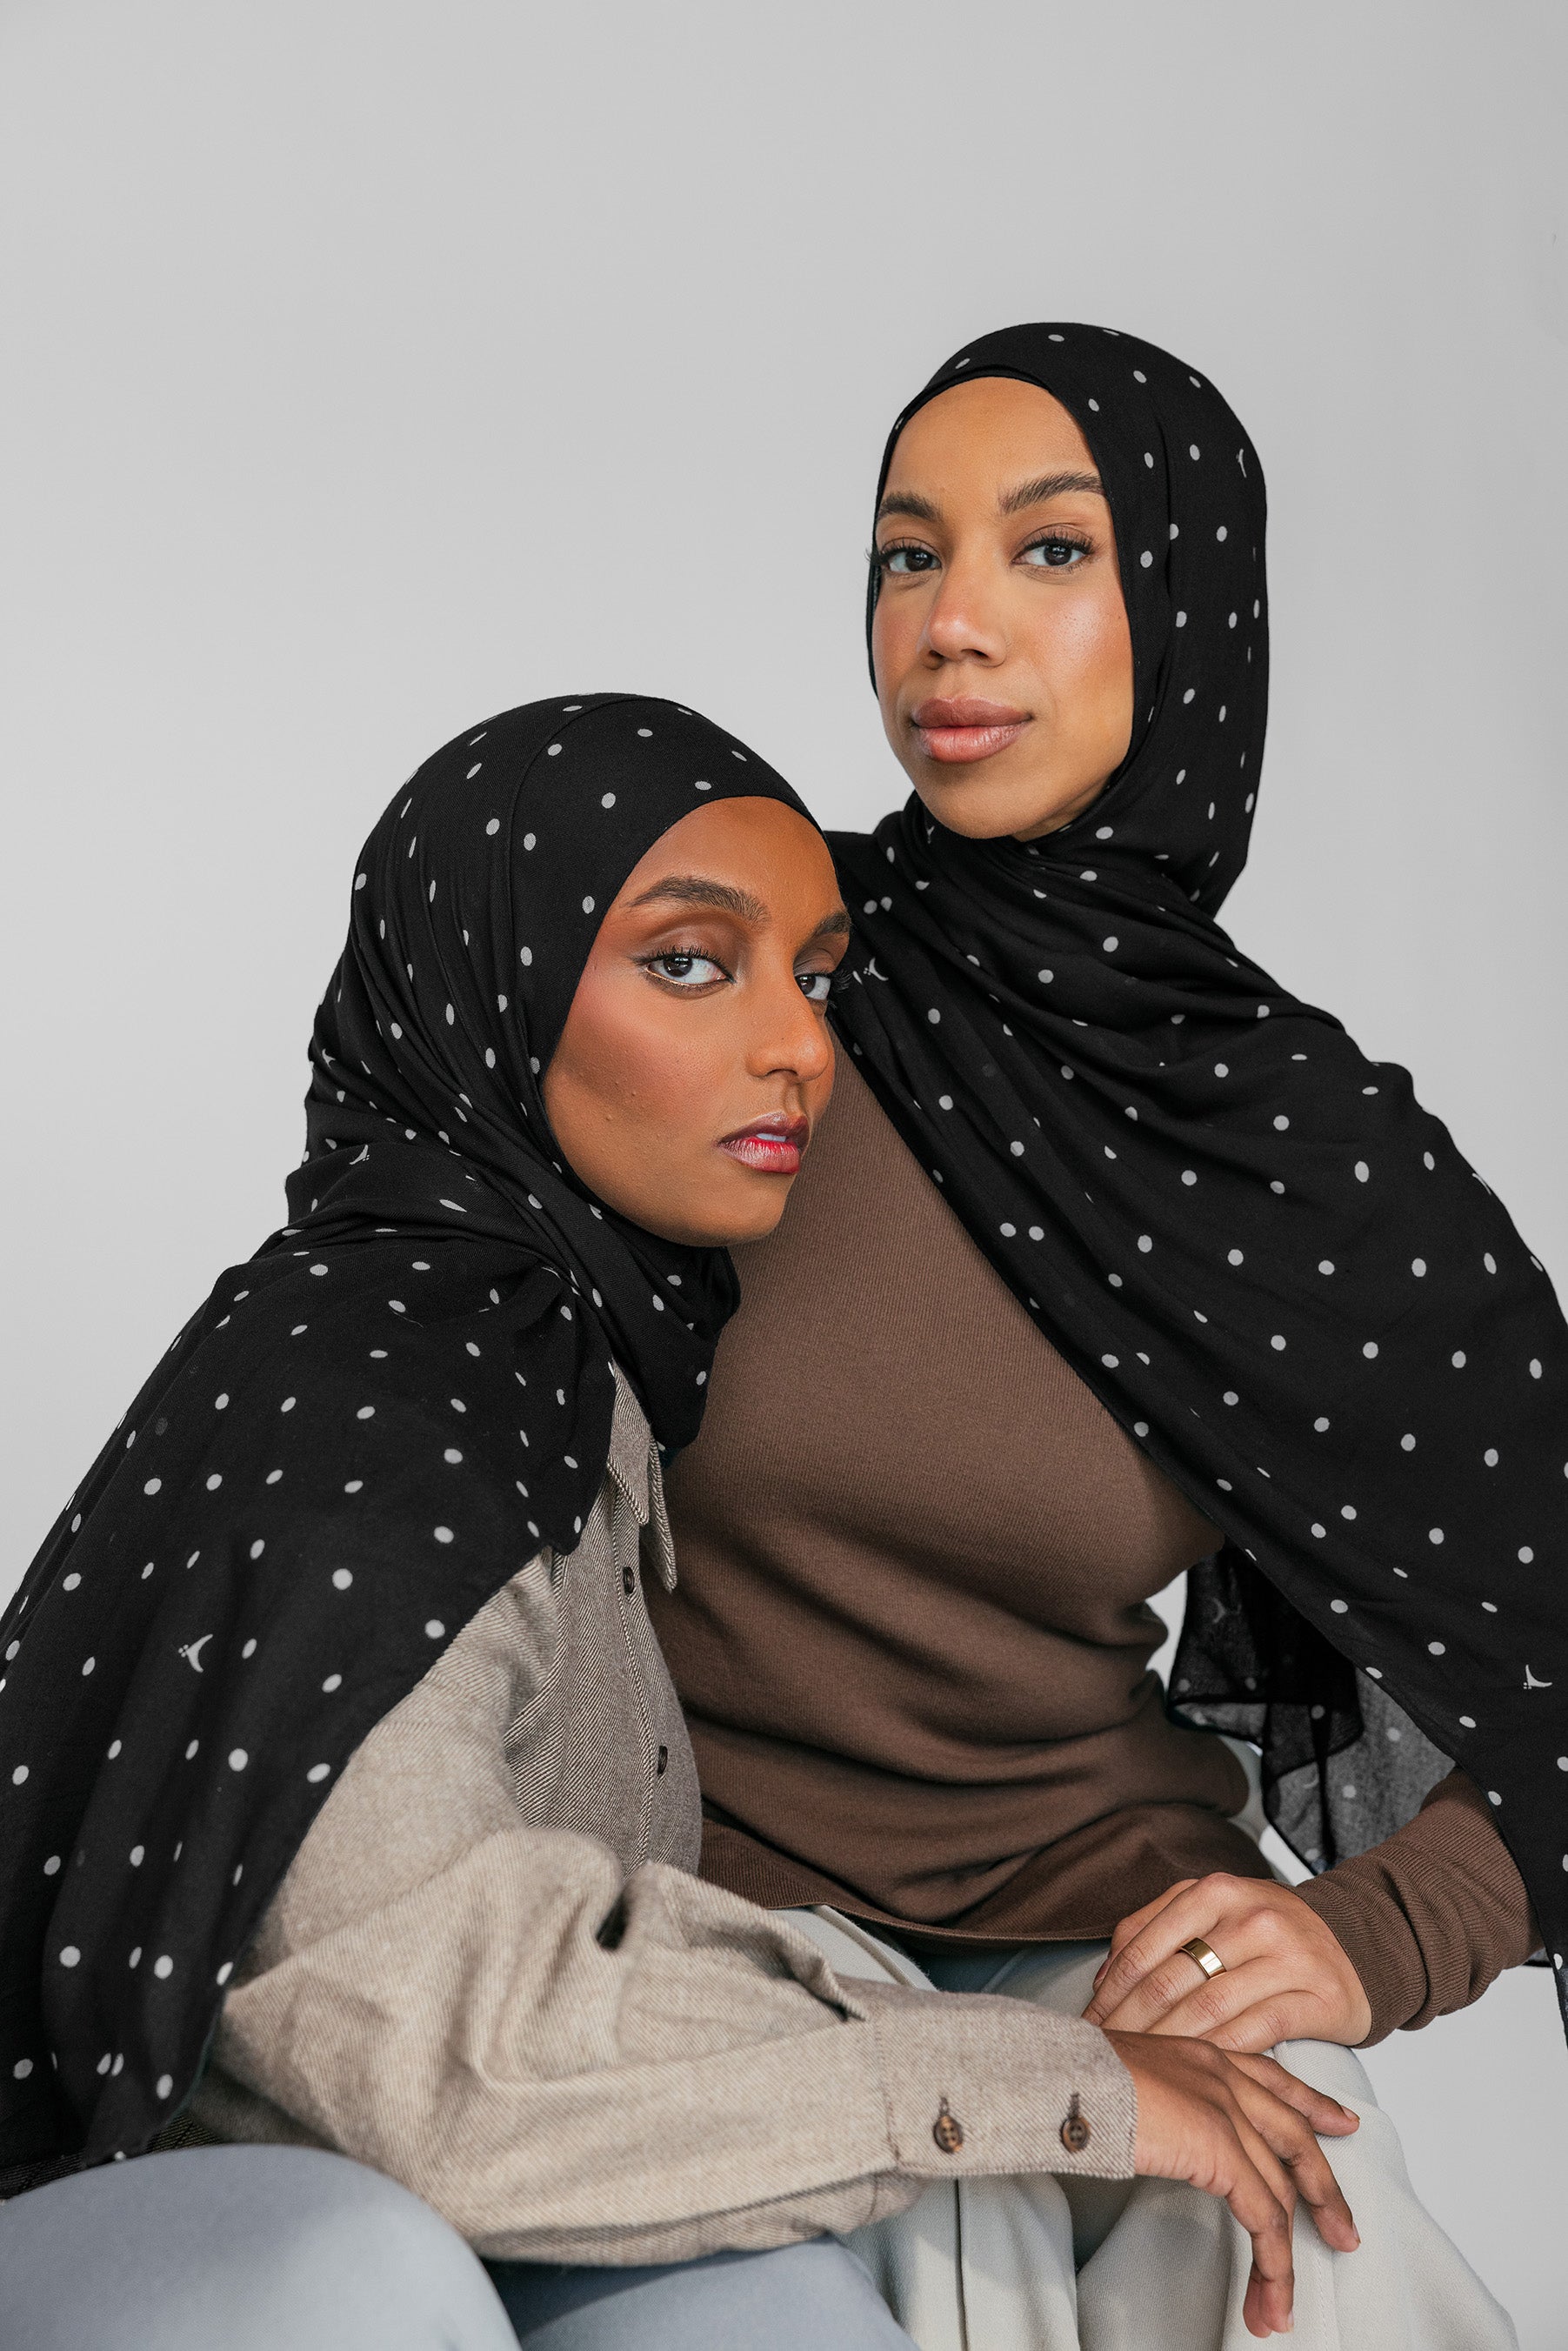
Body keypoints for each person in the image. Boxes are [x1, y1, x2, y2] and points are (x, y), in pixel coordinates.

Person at [0, 691, 1359, 2349]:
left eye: (818, 974)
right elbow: (436, 2057)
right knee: (366, 2270)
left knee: (777, 2296)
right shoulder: (386, 1393)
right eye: (692, 964)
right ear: (489, 995)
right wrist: (1065, 2088)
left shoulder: (573, 1368)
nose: (799, 1043)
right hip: (154, 2207)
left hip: (434, 2172)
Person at [651, 328, 1557, 2345]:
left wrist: (1362, 1932)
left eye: (1047, 553)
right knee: (924, 2253)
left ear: (1188, 610)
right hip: (712, 1930)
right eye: (906, 554)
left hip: (1107, 1922)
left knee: (1308, 2246)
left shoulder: (1292, 1153)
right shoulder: (741, 998)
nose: (951, 623)